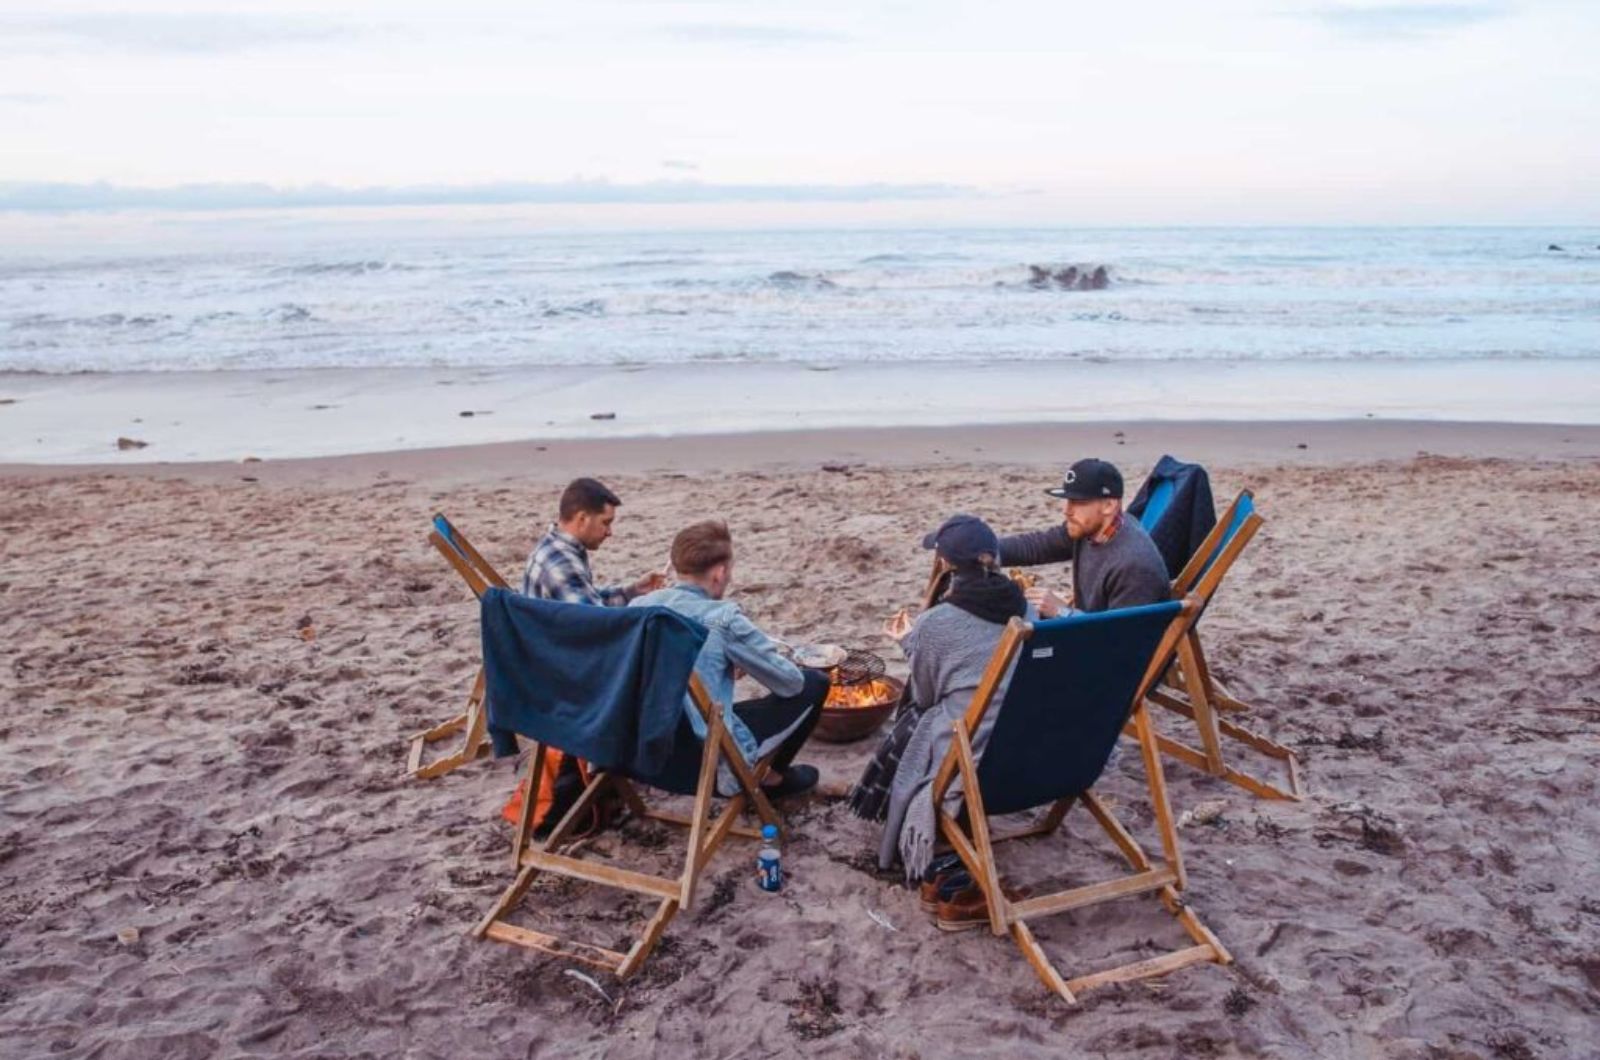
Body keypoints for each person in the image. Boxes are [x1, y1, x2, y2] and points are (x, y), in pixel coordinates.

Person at [850, 514, 1030, 922]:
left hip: (970, 761)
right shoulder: (1027, 610)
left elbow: (927, 696)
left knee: (918, 718)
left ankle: (896, 827)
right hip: (1023, 755)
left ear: (946, 564)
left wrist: (909, 642)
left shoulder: (937, 624)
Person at [631, 520, 826, 798]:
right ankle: (771, 780)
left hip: (639, 755)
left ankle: (768, 776)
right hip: (701, 764)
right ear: (719, 573)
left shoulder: (638, 607)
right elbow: (791, 684)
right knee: (814, 683)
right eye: (730, 571)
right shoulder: (723, 619)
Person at [998, 458, 1170, 617]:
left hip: (1105, 644)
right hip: (1090, 627)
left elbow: (1120, 639)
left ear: (1109, 505)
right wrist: (985, 549)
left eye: (1078, 502)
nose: (1067, 511)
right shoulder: (1089, 529)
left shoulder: (1134, 566)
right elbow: (1037, 546)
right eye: (1068, 501)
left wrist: (1062, 611)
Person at [522, 477, 666, 606]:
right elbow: (597, 623)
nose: (609, 532)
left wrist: (634, 591)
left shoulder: (553, 544)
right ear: (583, 519)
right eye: (605, 523)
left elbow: (589, 597)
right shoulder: (562, 564)